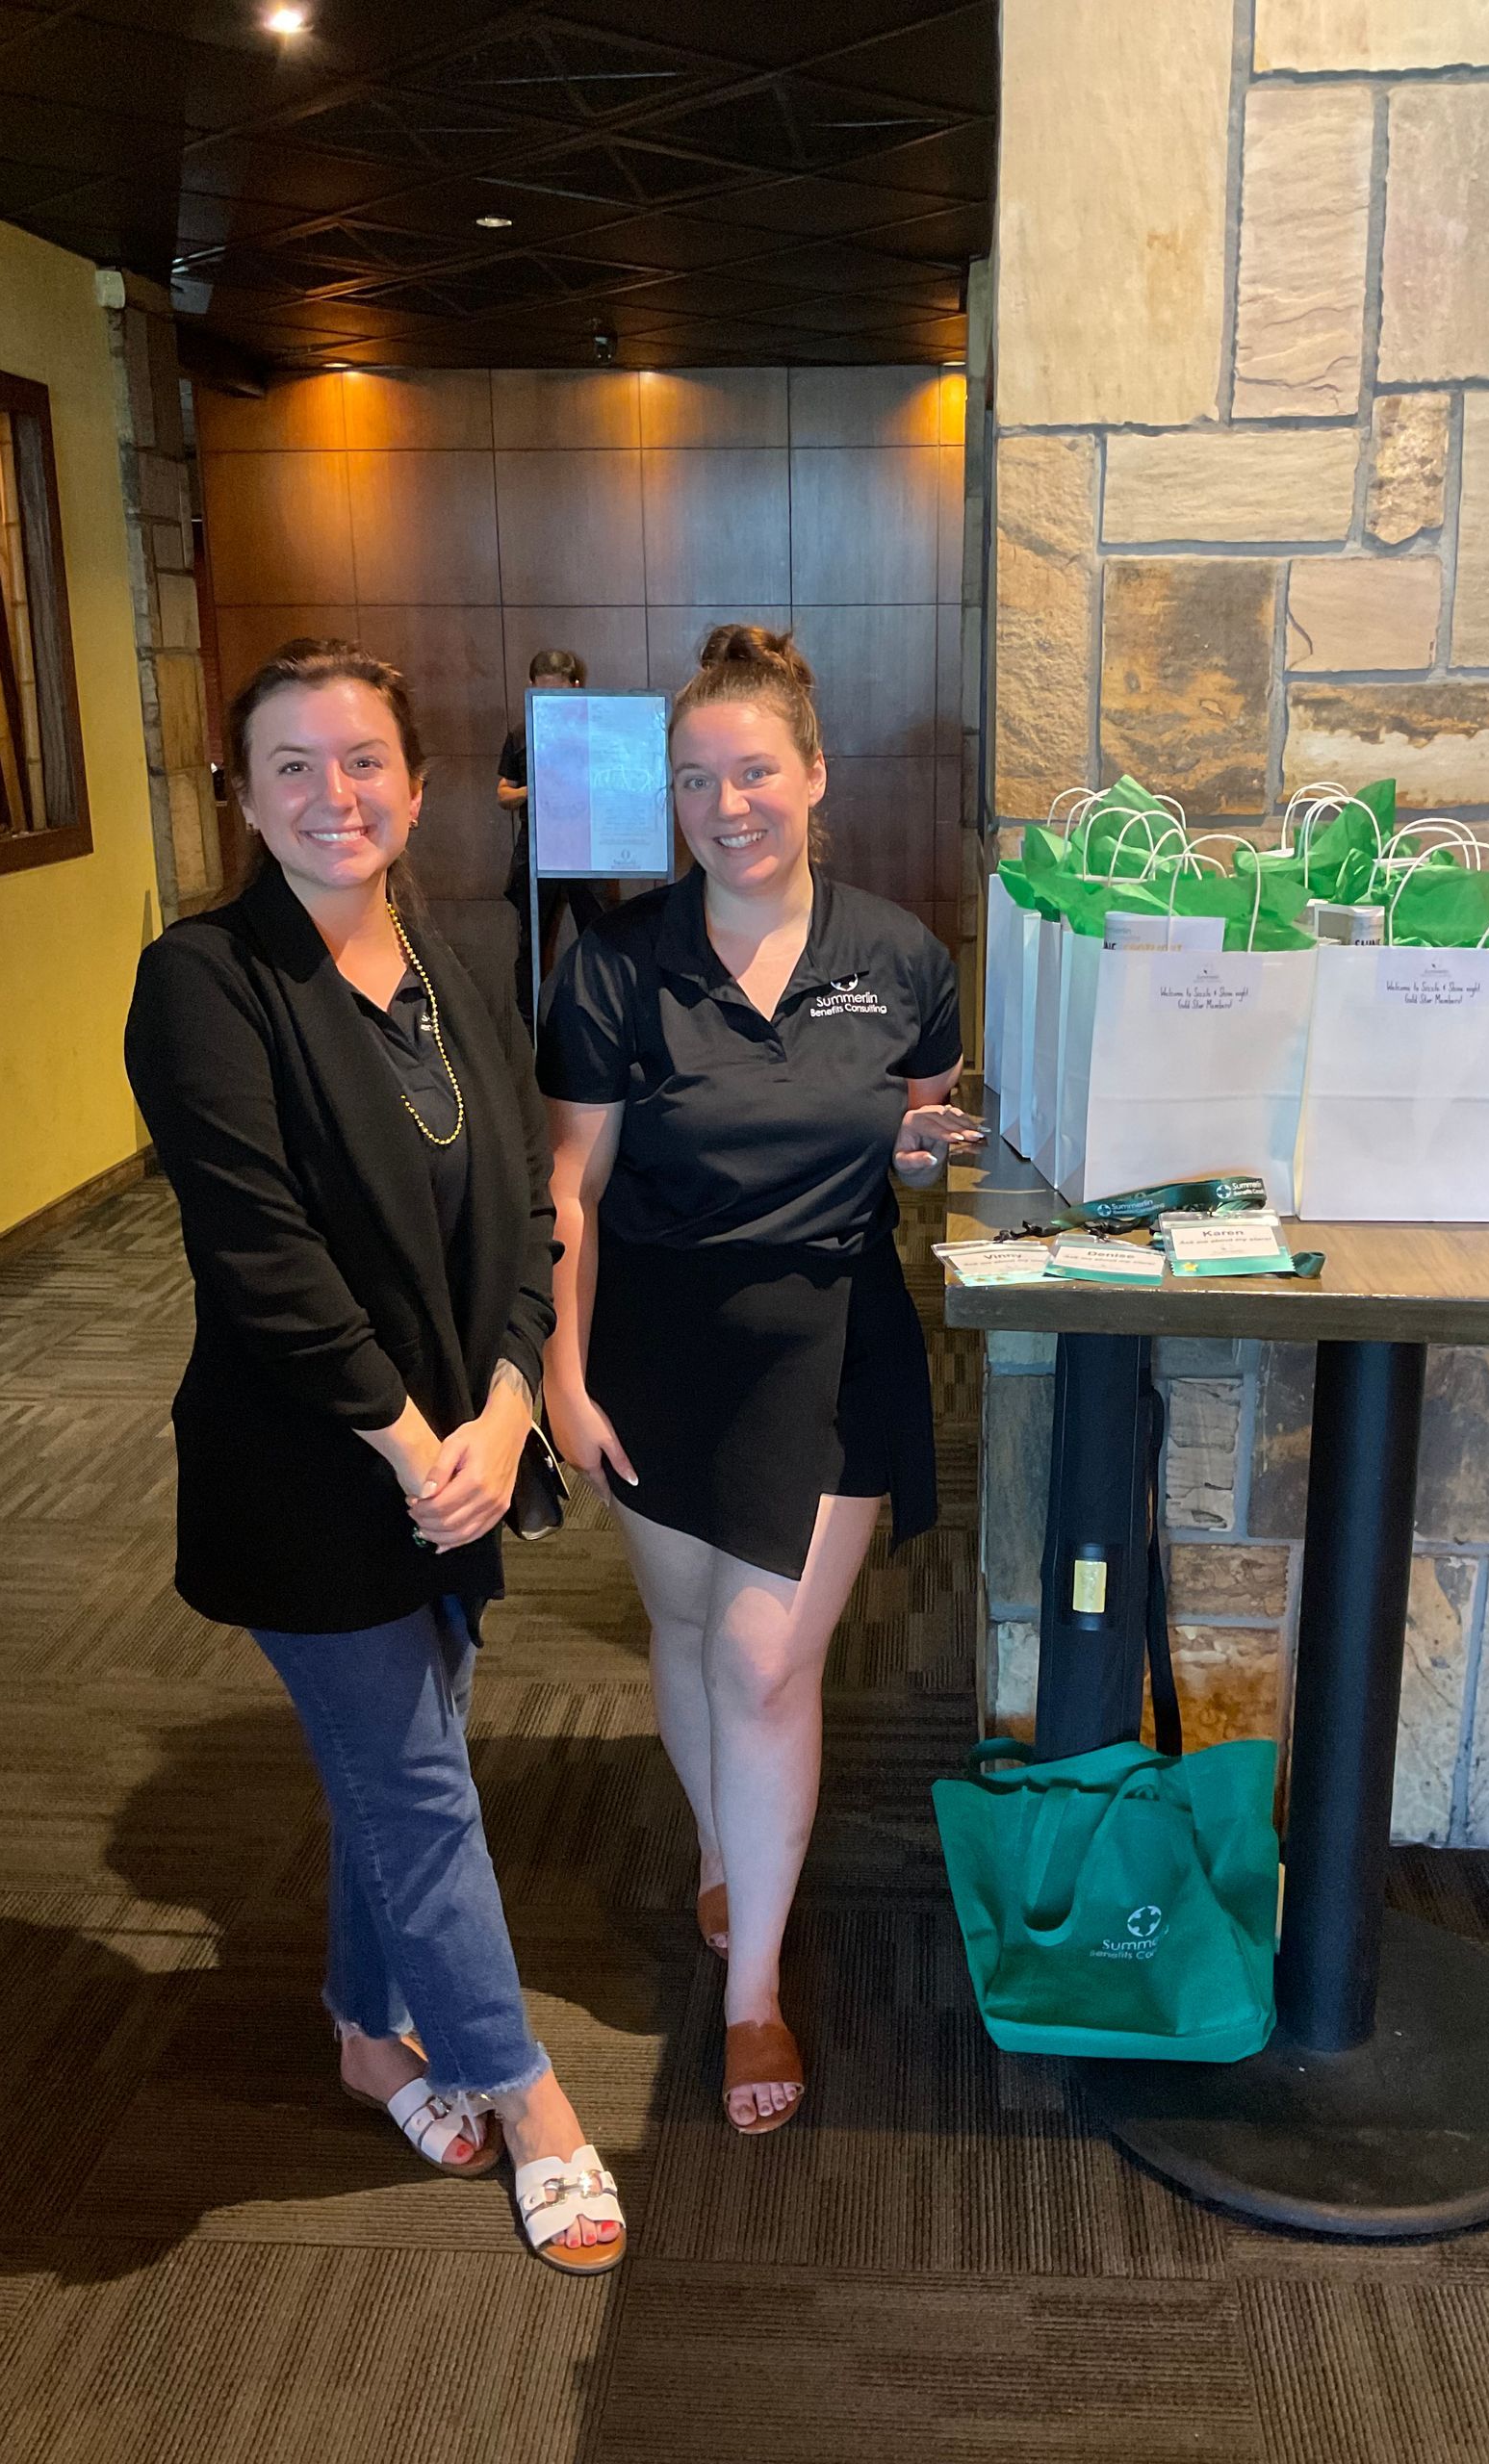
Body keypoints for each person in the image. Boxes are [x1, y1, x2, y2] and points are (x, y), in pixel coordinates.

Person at [124, 637, 624, 2275]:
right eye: (291, 765)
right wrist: (418, 1445)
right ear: (245, 797)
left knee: (391, 1770)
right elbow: (265, 1258)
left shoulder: (456, 961)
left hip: (462, 1458)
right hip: (314, 1472)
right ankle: (524, 2091)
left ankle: (364, 2029)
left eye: (361, 763)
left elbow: (525, 1216)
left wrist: (501, 1407)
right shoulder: (206, 979)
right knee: (417, 1787)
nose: (332, 795)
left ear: (413, 790)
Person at [535, 627, 978, 2137]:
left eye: (755, 773)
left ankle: (754, 1992)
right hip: (654, 1343)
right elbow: (571, 1190)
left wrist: (926, 1158)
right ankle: (724, 1844)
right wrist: (562, 1374)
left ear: (814, 778)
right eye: (696, 780)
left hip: (829, 1337)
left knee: (761, 1659)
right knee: (677, 1623)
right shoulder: (609, 965)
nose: (727, 805)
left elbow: (926, 1139)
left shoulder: (902, 956)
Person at [498, 646, 609, 989]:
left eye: (557, 690)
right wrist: (536, 790)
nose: (548, 698)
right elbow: (503, 794)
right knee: (531, 944)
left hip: (586, 846)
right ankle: (531, 1027)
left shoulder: (597, 729)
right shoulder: (521, 733)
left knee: (602, 937)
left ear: (575, 686)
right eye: (541, 690)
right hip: (538, 847)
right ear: (530, 685)